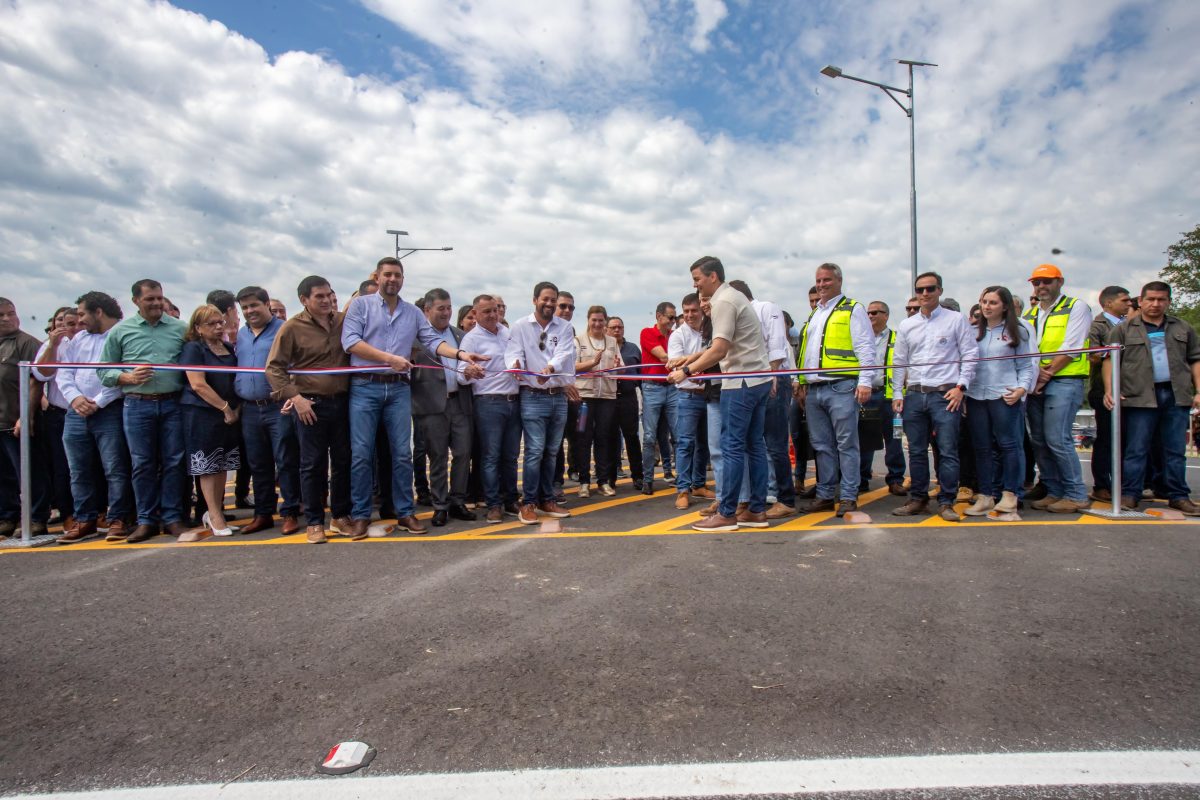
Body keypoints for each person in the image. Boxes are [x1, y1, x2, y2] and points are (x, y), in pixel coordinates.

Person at [343, 261, 486, 538]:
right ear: (378, 277)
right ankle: (360, 515)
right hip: (365, 386)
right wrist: (389, 359)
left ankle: (405, 513)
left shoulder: (411, 312)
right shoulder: (361, 306)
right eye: (388, 275)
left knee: (402, 454)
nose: (393, 279)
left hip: (398, 389)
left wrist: (461, 355)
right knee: (361, 455)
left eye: (398, 275)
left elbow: (433, 341)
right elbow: (350, 342)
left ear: (403, 279)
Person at [670, 256, 772, 531]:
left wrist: (687, 371)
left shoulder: (723, 302)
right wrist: (689, 358)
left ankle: (727, 513)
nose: (695, 284)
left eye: (698, 279)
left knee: (732, 447)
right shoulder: (732, 297)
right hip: (757, 380)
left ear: (713, 276)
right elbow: (721, 345)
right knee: (754, 446)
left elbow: (720, 350)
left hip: (741, 383)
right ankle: (756, 510)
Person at [265, 275, 354, 544]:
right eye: (319, 296)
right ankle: (314, 522)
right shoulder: (291, 327)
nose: (326, 300)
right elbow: (274, 369)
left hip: (342, 402)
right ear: (304, 300)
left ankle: (340, 517)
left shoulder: (343, 321)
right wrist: (297, 398)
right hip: (309, 406)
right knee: (312, 465)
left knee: (343, 462)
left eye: (329, 294)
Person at [98, 280, 188, 543]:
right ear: (136, 301)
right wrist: (126, 377)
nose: (157, 303)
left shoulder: (180, 329)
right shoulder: (120, 331)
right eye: (150, 299)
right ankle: (146, 520)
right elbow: (103, 370)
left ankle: (172, 518)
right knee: (142, 463)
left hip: (173, 404)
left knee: (174, 461)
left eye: (160, 298)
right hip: (137, 404)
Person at [1103, 281, 1200, 515]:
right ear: (1142, 301)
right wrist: (1110, 389)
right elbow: (1109, 360)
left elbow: (1195, 359)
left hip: (1175, 394)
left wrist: (1199, 391)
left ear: (1168, 301)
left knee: (1175, 449)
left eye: (1161, 299)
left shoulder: (1182, 328)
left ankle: (1178, 495)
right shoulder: (1124, 329)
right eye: (1151, 299)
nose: (1155, 304)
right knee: (1136, 448)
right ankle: (1130, 494)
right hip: (1140, 396)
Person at [891, 271, 978, 520]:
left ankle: (946, 501)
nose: (925, 294)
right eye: (920, 290)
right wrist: (898, 392)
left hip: (945, 394)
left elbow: (970, 354)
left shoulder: (956, 320)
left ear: (940, 290)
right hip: (915, 395)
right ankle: (918, 498)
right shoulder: (907, 325)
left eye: (930, 289)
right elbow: (899, 362)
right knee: (916, 451)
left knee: (948, 450)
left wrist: (961, 387)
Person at [794, 263, 877, 517]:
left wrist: (864, 381)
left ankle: (849, 496)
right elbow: (807, 354)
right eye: (818, 281)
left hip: (841, 386)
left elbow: (866, 348)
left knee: (846, 444)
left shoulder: (853, 310)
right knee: (821, 445)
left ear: (839, 281)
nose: (821, 285)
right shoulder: (815, 314)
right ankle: (826, 495)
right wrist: (801, 382)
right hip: (815, 390)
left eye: (826, 280)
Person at [53, 292, 133, 544]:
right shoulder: (78, 340)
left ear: (98, 312)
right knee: (78, 470)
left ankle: (117, 518)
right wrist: (75, 399)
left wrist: (97, 403)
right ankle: (85, 518)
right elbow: (64, 373)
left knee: (115, 468)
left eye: (82, 314)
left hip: (108, 410)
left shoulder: (121, 335)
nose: (79, 319)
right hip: (75, 412)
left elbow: (122, 375)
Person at [408, 287, 483, 527]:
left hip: (460, 403)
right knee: (437, 457)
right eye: (441, 308)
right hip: (431, 407)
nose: (446, 313)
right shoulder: (415, 339)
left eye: (449, 307)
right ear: (427, 310)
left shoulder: (460, 336)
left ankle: (457, 501)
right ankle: (440, 505)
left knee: (462, 454)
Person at [1022, 264, 1093, 512]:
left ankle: (1075, 493)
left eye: (1046, 281)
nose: (1041, 286)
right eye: (1036, 282)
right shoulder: (1030, 315)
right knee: (1039, 440)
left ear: (1059, 282)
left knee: (1057, 438)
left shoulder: (1076, 307)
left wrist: (1045, 375)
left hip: (1064, 380)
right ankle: (1054, 491)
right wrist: (1035, 379)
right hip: (1036, 385)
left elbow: (1072, 346)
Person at [506, 281, 575, 524]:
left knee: (552, 451)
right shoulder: (520, 326)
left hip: (558, 396)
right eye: (545, 299)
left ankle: (548, 499)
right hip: (533, 396)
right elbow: (514, 351)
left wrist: (551, 367)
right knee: (535, 451)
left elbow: (564, 353)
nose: (549, 303)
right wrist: (514, 364)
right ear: (534, 300)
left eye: (552, 300)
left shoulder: (565, 327)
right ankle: (529, 503)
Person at [234, 286, 301, 536]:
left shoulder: (284, 330)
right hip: (250, 410)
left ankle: (290, 512)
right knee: (258, 464)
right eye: (245, 308)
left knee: (285, 461)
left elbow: (296, 366)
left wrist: (293, 395)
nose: (250, 311)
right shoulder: (241, 335)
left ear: (266, 306)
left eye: (254, 305)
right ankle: (262, 514)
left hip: (277, 407)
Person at [962, 287, 1034, 516]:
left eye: (992, 302)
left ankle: (1010, 494)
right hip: (975, 396)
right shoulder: (971, 331)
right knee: (982, 448)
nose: (986, 307)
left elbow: (1026, 365)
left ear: (1004, 306)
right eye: (983, 302)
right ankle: (986, 495)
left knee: (1009, 445)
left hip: (1004, 396)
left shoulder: (1018, 332)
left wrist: (1022, 389)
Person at [729, 280, 795, 518]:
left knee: (775, 444)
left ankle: (786, 499)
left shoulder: (766, 308)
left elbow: (776, 344)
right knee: (755, 444)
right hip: (752, 384)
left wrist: (773, 374)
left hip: (773, 379)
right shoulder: (740, 315)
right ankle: (762, 497)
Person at [177, 305, 240, 541]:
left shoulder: (228, 348)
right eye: (211, 324)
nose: (218, 327)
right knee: (208, 466)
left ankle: (218, 510)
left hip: (229, 414)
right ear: (198, 328)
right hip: (203, 413)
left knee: (223, 463)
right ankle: (213, 514)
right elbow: (197, 384)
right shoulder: (193, 349)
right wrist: (224, 407)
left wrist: (233, 409)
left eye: (220, 322)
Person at [459, 295, 521, 523]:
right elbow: (461, 373)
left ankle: (511, 499)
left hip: (514, 400)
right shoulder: (471, 339)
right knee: (491, 456)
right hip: (488, 403)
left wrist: (519, 366)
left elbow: (519, 357)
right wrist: (469, 372)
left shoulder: (508, 333)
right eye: (486, 311)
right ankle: (493, 504)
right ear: (475, 314)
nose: (493, 315)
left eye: (495, 310)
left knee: (511, 456)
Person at [0, 297, 50, 539]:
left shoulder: (27, 343)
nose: (8, 319)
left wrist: (25, 414)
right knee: (3, 476)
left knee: (28, 473)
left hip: (17, 420)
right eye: (1, 315)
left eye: (11, 313)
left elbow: (37, 381)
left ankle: (36, 518)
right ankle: (7, 517)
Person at [32, 305, 79, 532]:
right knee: (63, 468)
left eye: (70, 322)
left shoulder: (91, 341)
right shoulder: (53, 345)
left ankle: (96, 512)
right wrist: (53, 345)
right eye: (61, 322)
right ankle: (69, 513)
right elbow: (41, 374)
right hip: (60, 413)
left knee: (92, 467)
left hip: (91, 410)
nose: (66, 327)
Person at [666, 294, 712, 509]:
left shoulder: (712, 330)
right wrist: (700, 361)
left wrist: (693, 362)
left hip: (710, 394)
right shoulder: (677, 335)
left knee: (705, 444)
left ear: (702, 310)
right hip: (687, 395)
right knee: (685, 443)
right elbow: (677, 367)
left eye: (694, 310)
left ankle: (699, 484)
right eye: (686, 311)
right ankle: (683, 490)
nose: (690, 315)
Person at [1087, 285, 1131, 502]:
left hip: (1132, 388)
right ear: (1108, 303)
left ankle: (1127, 484)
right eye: (1124, 300)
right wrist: (1111, 351)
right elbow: (1093, 355)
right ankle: (1102, 485)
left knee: (1128, 440)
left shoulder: (1132, 323)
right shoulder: (1097, 326)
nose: (1129, 304)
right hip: (1103, 389)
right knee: (1106, 438)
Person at [574, 305, 622, 498]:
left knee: (603, 438)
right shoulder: (578, 340)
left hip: (607, 398)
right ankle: (584, 482)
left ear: (605, 322)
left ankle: (603, 481)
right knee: (583, 439)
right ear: (588, 320)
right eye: (594, 320)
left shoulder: (612, 341)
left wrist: (618, 367)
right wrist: (592, 364)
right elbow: (572, 366)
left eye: (601, 320)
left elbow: (621, 367)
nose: (597, 323)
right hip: (584, 398)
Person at [861, 300, 906, 496]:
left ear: (886, 315)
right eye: (869, 313)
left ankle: (896, 479)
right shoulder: (862, 338)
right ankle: (862, 478)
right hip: (867, 395)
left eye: (875, 312)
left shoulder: (897, 339)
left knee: (894, 439)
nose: (871, 316)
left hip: (889, 397)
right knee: (865, 440)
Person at [639, 301, 678, 494]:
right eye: (670, 317)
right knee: (649, 436)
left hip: (672, 387)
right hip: (652, 388)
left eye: (674, 318)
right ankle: (648, 479)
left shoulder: (674, 336)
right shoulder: (647, 333)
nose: (673, 321)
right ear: (659, 316)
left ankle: (677, 476)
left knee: (677, 435)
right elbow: (664, 357)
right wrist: (683, 358)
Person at [605, 316, 645, 491]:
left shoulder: (633, 349)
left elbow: (642, 375)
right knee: (611, 439)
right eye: (613, 327)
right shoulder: (603, 347)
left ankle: (637, 476)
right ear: (607, 329)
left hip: (629, 397)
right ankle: (610, 478)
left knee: (632, 438)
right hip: (609, 398)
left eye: (620, 327)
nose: (617, 330)